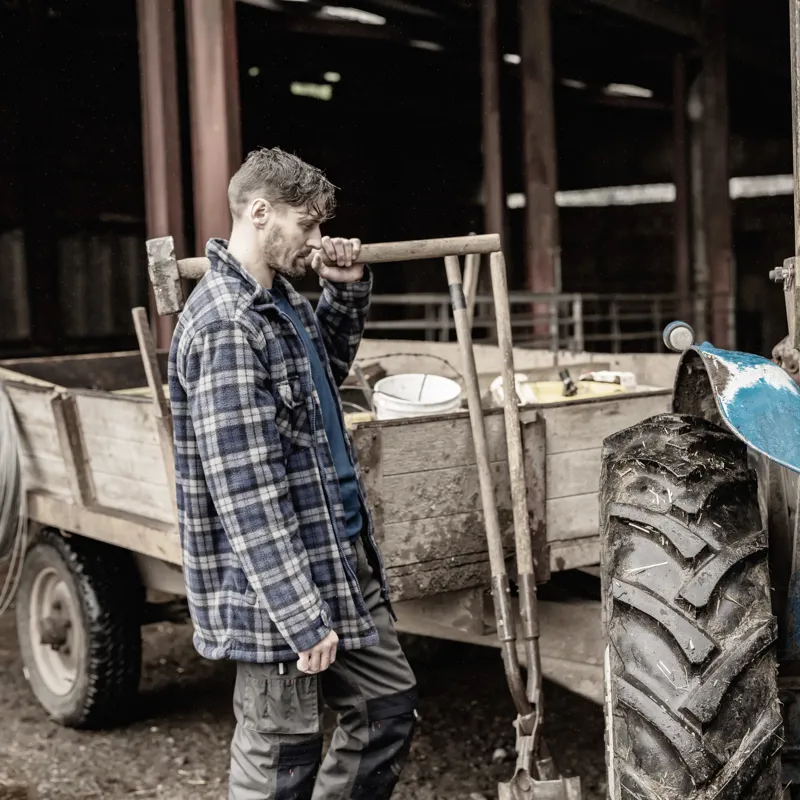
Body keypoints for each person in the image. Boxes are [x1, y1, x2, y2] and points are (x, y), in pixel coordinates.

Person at [168, 147, 417, 800]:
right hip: (277, 580)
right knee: (282, 756)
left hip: (336, 549)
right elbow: (246, 496)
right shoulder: (227, 325)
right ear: (259, 213)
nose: (316, 239)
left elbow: (320, 381)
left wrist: (346, 286)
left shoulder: (280, 303)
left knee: (387, 705)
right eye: (305, 225)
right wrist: (300, 615)